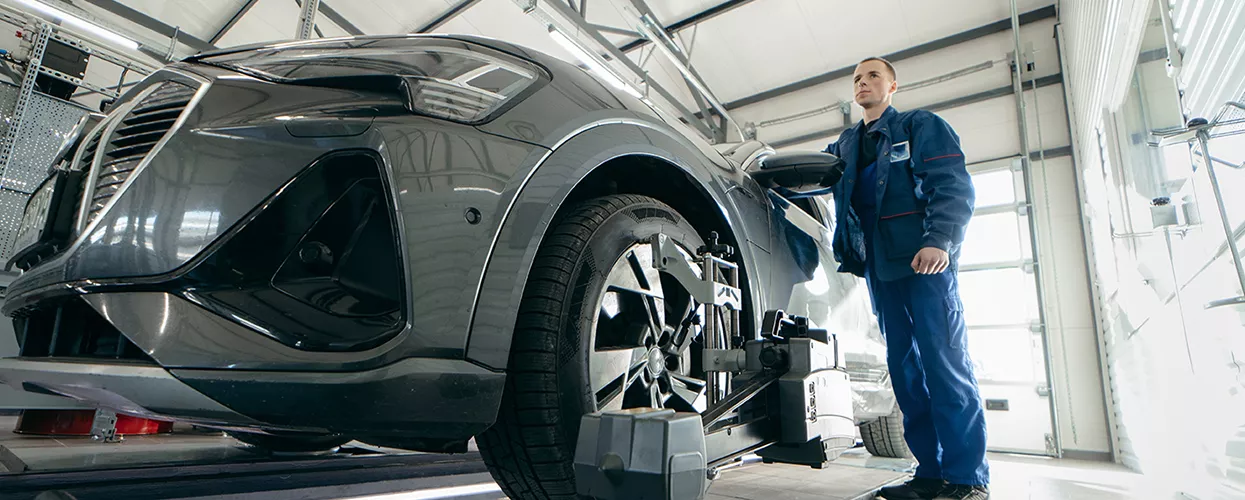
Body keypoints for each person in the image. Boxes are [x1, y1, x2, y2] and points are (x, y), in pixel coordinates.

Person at [824, 57, 989, 500]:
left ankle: (968, 479)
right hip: (881, 271)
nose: (863, 83)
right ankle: (931, 475)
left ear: (893, 85)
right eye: (856, 78)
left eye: (873, 75)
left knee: (945, 365)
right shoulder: (845, 145)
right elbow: (812, 181)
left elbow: (951, 184)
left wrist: (940, 239)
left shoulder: (919, 126)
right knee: (906, 374)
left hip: (926, 264)